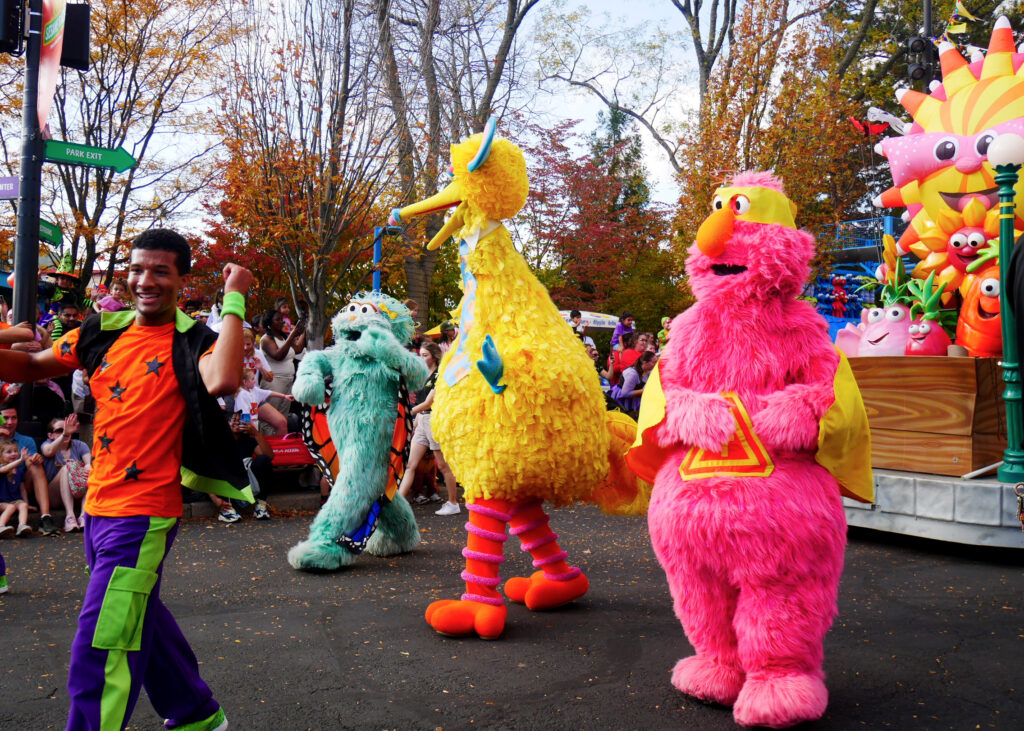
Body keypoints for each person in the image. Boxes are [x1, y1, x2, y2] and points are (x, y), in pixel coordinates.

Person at [0, 227, 254, 731]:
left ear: (181, 279)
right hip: (98, 505)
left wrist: (235, 298)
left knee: (105, 637)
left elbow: (223, 379)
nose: (146, 280)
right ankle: (196, 714)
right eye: (138, 269)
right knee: (141, 615)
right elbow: (30, 366)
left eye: (161, 271)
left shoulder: (194, 340)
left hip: (144, 514)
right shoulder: (101, 330)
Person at [396, 341, 460, 515]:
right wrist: (415, 420)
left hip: (433, 420)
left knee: (443, 466)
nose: (421, 358)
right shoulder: (423, 375)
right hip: (422, 421)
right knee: (410, 465)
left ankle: (453, 502)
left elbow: (428, 403)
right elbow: (420, 402)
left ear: (434, 356)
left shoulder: (440, 374)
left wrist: (406, 413)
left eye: (425, 355)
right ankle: (399, 505)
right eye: (420, 355)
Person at [0, 406, 59, 535]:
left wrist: (34, 459)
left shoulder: (26, 441)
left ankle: (45, 517)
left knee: (35, 464)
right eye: (5, 418)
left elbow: (28, 461)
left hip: (17, 488)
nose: (10, 422)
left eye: (13, 418)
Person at [41, 415, 91, 533]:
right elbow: (48, 452)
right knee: (66, 468)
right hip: (54, 495)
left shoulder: (79, 445)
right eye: (59, 430)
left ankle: (84, 515)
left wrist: (88, 467)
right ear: (50, 435)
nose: (65, 431)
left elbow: (88, 462)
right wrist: (65, 434)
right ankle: (70, 516)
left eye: (67, 428)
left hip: (77, 491)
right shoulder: (47, 444)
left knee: (89, 472)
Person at [260, 308, 306, 426]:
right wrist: (292, 335)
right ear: (269, 323)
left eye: (282, 319)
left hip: (287, 381)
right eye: (278, 320)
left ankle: (280, 442)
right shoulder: (266, 339)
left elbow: (298, 349)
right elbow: (278, 355)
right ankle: (268, 441)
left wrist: (303, 331)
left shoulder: (284, 337)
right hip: (274, 382)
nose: (281, 322)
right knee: (271, 418)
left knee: (282, 417)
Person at [0, 441, 31, 537]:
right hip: (2, 501)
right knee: (11, 507)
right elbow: (4, 469)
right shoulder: (2, 467)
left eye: (15, 451)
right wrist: (21, 460)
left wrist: (27, 504)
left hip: (14, 500)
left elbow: (22, 490)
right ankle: (0, 526)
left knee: (22, 505)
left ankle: (22, 526)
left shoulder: (19, 471)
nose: (13, 454)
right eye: (9, 452)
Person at [613, 351, 657, 416]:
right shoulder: (632, 374)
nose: (656, 364)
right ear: (645, 363)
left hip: (634, 397)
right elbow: (625, 393)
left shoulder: (647, 371)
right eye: (654, 362)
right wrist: (644, 391)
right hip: (623, 400)